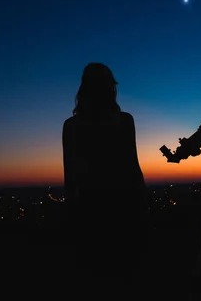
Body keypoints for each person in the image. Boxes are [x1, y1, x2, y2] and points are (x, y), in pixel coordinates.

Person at [62, 62, 150, 280]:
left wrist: (72, 208)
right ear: (111, 88)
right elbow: (132, 165)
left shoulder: (71, 126)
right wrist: (142, 203)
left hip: (90, 206)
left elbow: (70, 173)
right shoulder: (124, 121)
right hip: (123, 204)